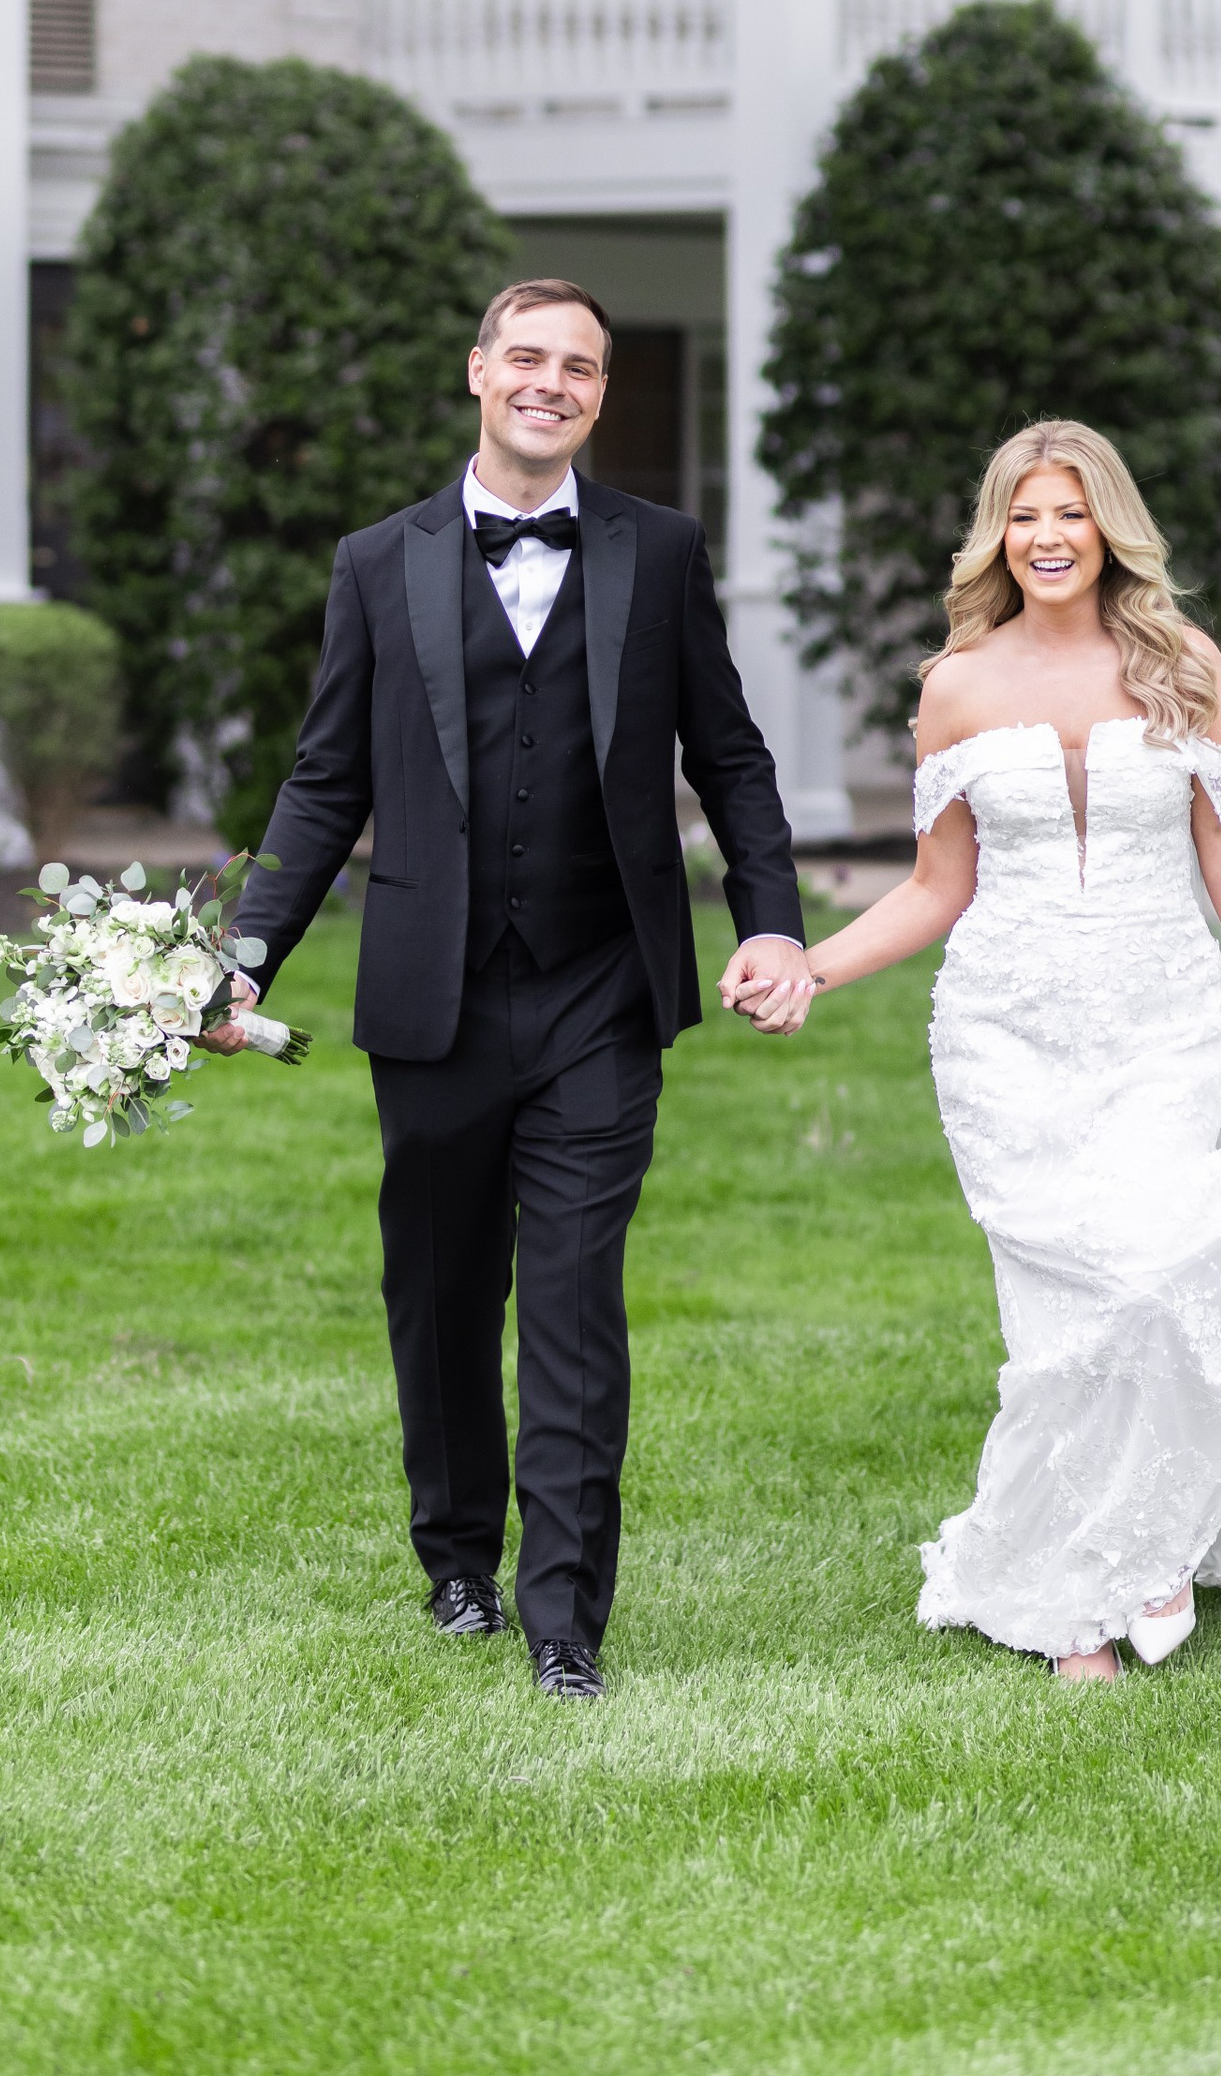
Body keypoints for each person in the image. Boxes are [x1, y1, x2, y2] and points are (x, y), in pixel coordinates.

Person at [732, 418, 1221, 1678]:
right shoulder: (955, 685)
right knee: (1059, 1317)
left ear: (1108, 529)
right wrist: (813, 962)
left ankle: (1139, 1549)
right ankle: (1087, 1596)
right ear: (997, 532)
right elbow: (934, 886)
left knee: (1147, 1277)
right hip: (1002, 1029)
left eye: (1070, 515)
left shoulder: (1182, 664)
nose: (1046, 538)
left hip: (1161, 1019)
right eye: (1024, 516)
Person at [212, 277, 807, 1700]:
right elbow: (325, 779)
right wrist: (241, 955)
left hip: (603, 985)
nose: (551, 382)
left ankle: (564, 1618)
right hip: (435, 993)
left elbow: (729, 753)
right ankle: (459, 1558)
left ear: (602, 393)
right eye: (526, 357)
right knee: (441, 1284)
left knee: (577, 1298)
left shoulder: (659, 552)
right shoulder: (380, 558)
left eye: (580, 366)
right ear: (478, 369)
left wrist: (772, 921)